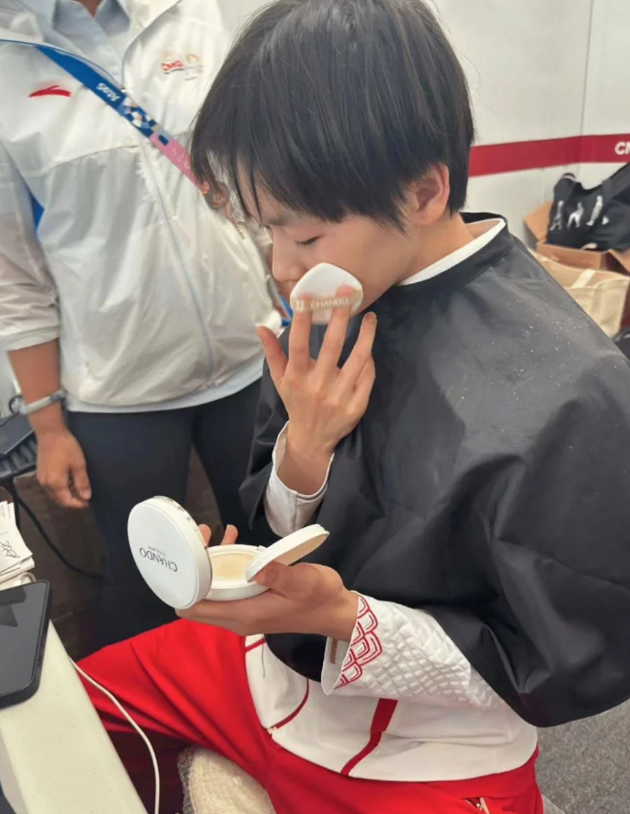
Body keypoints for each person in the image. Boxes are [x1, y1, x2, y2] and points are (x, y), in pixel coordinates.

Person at [79, 1, 630, 812]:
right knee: (62, 719)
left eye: (303, 238)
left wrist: (345, 618)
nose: (280, 268)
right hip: (268, 671)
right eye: (265, 232)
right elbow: (277, 525)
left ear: (425, 190)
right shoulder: (330, 303)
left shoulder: (574, 397)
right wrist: (305, 447)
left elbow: (553, 658)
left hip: (427, 747)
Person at [0, 0, 281, 643]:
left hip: (248, 355)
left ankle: (288, 691)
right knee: (147, 583)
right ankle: (157, 707)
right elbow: (14, 276)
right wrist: (48, 426)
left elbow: (255, 174)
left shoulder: (192, 14)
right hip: (118, 394)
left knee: (275, 549)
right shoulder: (9, 58)